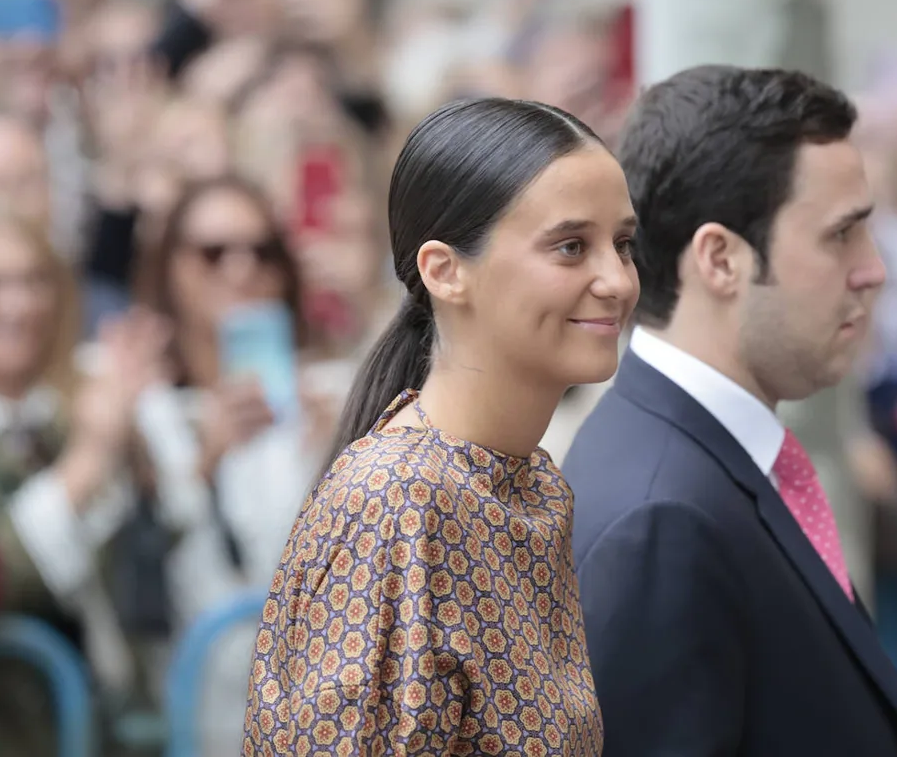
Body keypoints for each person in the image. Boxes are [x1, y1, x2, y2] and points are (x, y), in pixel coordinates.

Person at [243, 97, 637, 756]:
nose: (617, 280)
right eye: (572, 247)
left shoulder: (534, 484)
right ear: (445, 270)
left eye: (623, 245)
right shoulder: (393, 498)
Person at [562, 66, 897, 756]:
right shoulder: (662, 520)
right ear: (721, 260)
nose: (873, 268)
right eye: (840, 235)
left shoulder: (694, 465)